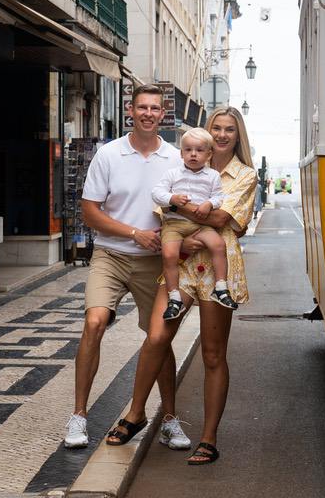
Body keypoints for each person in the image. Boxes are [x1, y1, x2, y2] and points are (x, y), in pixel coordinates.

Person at [108, 107, 257, 465]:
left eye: (229, 131)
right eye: (216, 129)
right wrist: (181, 216)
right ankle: (136, 413)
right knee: (157, 336)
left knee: (212, 354)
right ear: (206, 134)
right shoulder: (177, 166)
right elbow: (159, 209)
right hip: (183, 263)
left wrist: (177, 204)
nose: (222, 136)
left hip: (218, 270)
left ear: (238, 137)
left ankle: (208, 438)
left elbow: (223, 218)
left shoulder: (245, 175)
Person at [64, 84, 190, 452]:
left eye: (155, 108)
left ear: (162, 113)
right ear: (130, 112)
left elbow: (186, 206)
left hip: (158, 262)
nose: (148, 113)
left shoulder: (175, 158)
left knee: (159, 338)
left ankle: (168, 419)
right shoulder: (109, 154)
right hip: (111, 255)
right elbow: (90, 212)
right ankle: (79, 416)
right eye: (142, 108)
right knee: (94, 322)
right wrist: (135, 233)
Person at [151, 128, 236, 320]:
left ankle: (221, 287)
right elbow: (156, 193)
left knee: (218, 244)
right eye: (188, 150)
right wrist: (172, 198)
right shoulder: (173, 174)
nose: (193, 154)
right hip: (174, 225)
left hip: (200, 226)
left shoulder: (212, 176)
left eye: (199, 150)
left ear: (208, 154)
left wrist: (209, 204)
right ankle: (174, 297)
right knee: (169, 254)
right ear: (181, 153)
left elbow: (219, 197)